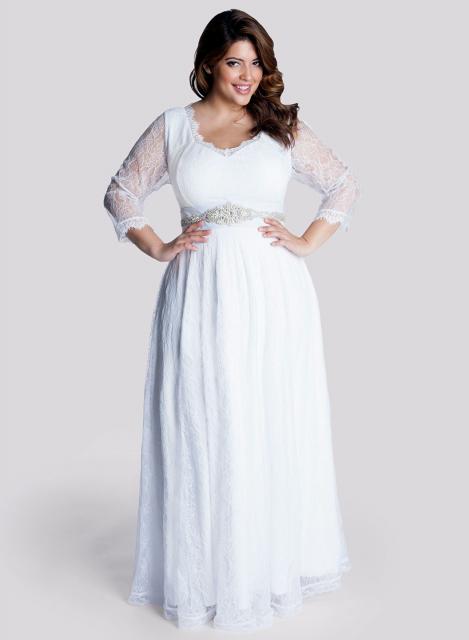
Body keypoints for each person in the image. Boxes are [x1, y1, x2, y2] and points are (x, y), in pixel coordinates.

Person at [103, 8, 360, 633]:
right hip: (198, 291)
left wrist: (306, 240)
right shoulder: (173, 127)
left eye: (256, 63)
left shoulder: (282, 127)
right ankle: (207, 575)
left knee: (267, 417)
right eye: (234, 62)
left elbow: (342, 185)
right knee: (203, 418)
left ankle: (266, 571)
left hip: (274, 293)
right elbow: (121, 192)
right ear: (207, 67)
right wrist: (159, 246)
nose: (247, 75)